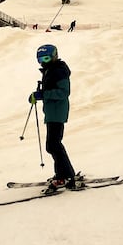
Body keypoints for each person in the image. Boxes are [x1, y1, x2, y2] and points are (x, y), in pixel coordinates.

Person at [28, 44, 79, 192]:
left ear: (54, 56)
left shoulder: (59, 72)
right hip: (52, 112)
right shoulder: (50, 70)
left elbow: (64, 92)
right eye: (40, 59)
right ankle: (63, 174)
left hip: (57, 112)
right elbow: (50, 90)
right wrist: (37, 95)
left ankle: (66, 175)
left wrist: (44, 95)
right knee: (53, 145)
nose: (43, 62)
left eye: (46, 58)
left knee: (53, 145)